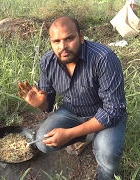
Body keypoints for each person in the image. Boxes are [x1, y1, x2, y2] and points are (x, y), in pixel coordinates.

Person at [18, 16, 127, 180]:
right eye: (56, 41)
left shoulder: (103, 58)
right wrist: (41, 104)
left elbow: (113, 111)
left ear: (81, 36)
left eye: (69, 38)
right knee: (42, 142)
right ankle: (88, 136)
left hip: (104, 114)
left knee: (108, 153)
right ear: (51, 42)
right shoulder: (48, 62)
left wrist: (69, 133)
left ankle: (104, 175)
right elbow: (48, 105)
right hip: (72, 111)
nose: (63, 47)